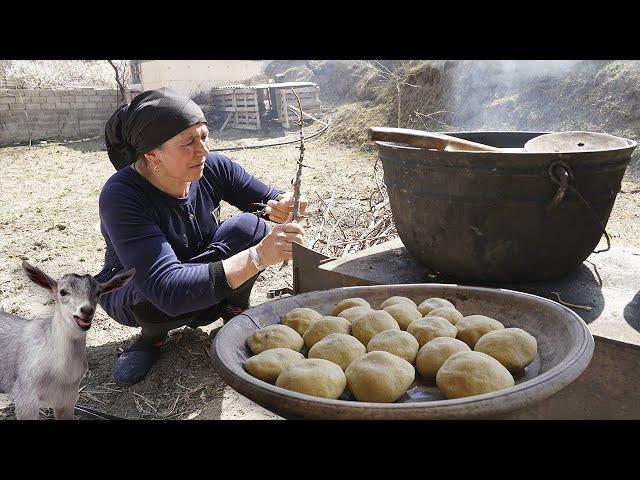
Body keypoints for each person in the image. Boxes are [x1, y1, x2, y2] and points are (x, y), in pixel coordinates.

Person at [96, 88, 307, 386]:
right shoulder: (122, 195)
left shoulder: (211, 167)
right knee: (148, 291)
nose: (203, 150)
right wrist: (258, 257)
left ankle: (233, 309)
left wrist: (283, 205)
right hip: (141, 290)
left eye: (204, 136)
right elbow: (167, 288)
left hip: (196, 267)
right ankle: (152, 337)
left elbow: (265, 200)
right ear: (152, 154)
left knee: (252, 226)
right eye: (188, 142)